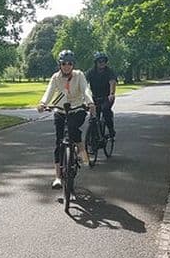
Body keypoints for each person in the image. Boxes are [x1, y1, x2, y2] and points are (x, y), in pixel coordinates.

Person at [37, 50, 95, 189]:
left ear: (73, 65)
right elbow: (49, 91)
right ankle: (57, 177)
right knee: (59, 142)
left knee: (73, 128)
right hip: (60, 110)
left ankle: (82, 153)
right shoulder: (56, 77)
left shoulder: (79, 75)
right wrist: (43, 103)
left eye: (70, 64)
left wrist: (90, 102)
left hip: (77, 109)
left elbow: (85, 90)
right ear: (60, 65)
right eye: (64, 64)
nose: (67, 66)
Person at [86, 51, 117, 138]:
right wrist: (85, 95)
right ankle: (93, 136)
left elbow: (112, 82)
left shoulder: (109, 71)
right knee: (94, 115)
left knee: (105, 110)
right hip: (95, 97)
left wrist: (111, 93)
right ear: (96, 62)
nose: (102, 63)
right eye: (100, 61)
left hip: (107, 97)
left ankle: (111, 130)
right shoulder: (91, 72)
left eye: (104, 61)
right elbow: (85, 84)